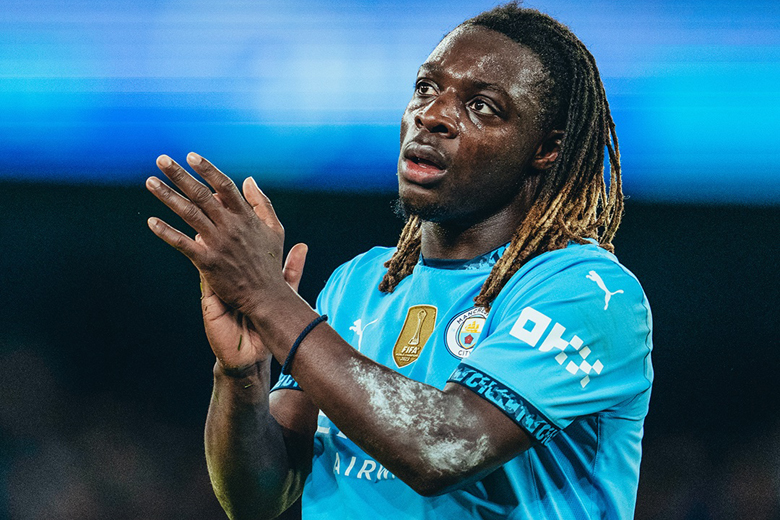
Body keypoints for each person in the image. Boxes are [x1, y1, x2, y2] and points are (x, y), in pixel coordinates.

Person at [146, 3, 653, 519]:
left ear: (546, 149)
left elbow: (442, 449)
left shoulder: (589, 293)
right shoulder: (360, 282)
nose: (432, 116)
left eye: (481, 106)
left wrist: (269, 300)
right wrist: (243, 373)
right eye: (426, 88)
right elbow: (258, 498)